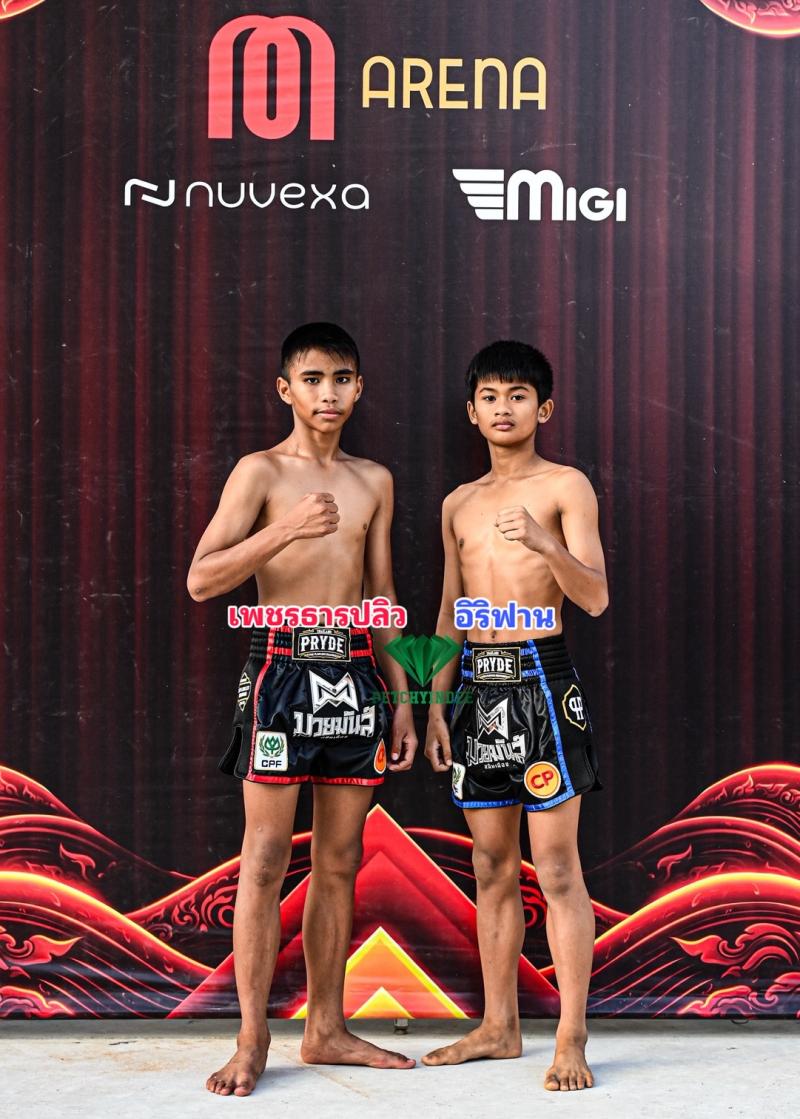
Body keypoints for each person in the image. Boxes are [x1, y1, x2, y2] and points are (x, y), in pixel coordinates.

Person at [187, 322, 418, 1097]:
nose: (328, 393)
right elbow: (202, 578)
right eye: (313, 379)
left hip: (355, 674)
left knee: (341, 859)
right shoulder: (259, 471)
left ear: (359, 388)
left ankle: (325, 1028)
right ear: (286, 388)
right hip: (281, 668)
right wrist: (285, 527)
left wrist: (403, 698)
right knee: (263, 857)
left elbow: (380, 594)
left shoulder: (374, 479)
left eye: (342, 378)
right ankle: (252, 1037)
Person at [422, 340, 607, 1092]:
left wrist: (543, 541)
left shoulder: (566, 486)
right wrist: (434, 704)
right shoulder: (457, 503)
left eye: (518, 395)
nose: (504, 408)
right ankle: (499, 1026)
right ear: (472, 411)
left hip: (541, 682)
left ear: (544, 408)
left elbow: (594, 596)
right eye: (491, 396)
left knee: (557, 867)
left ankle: (571, 1036)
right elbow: (448, 611)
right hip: (476, 687)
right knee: (491, 864)